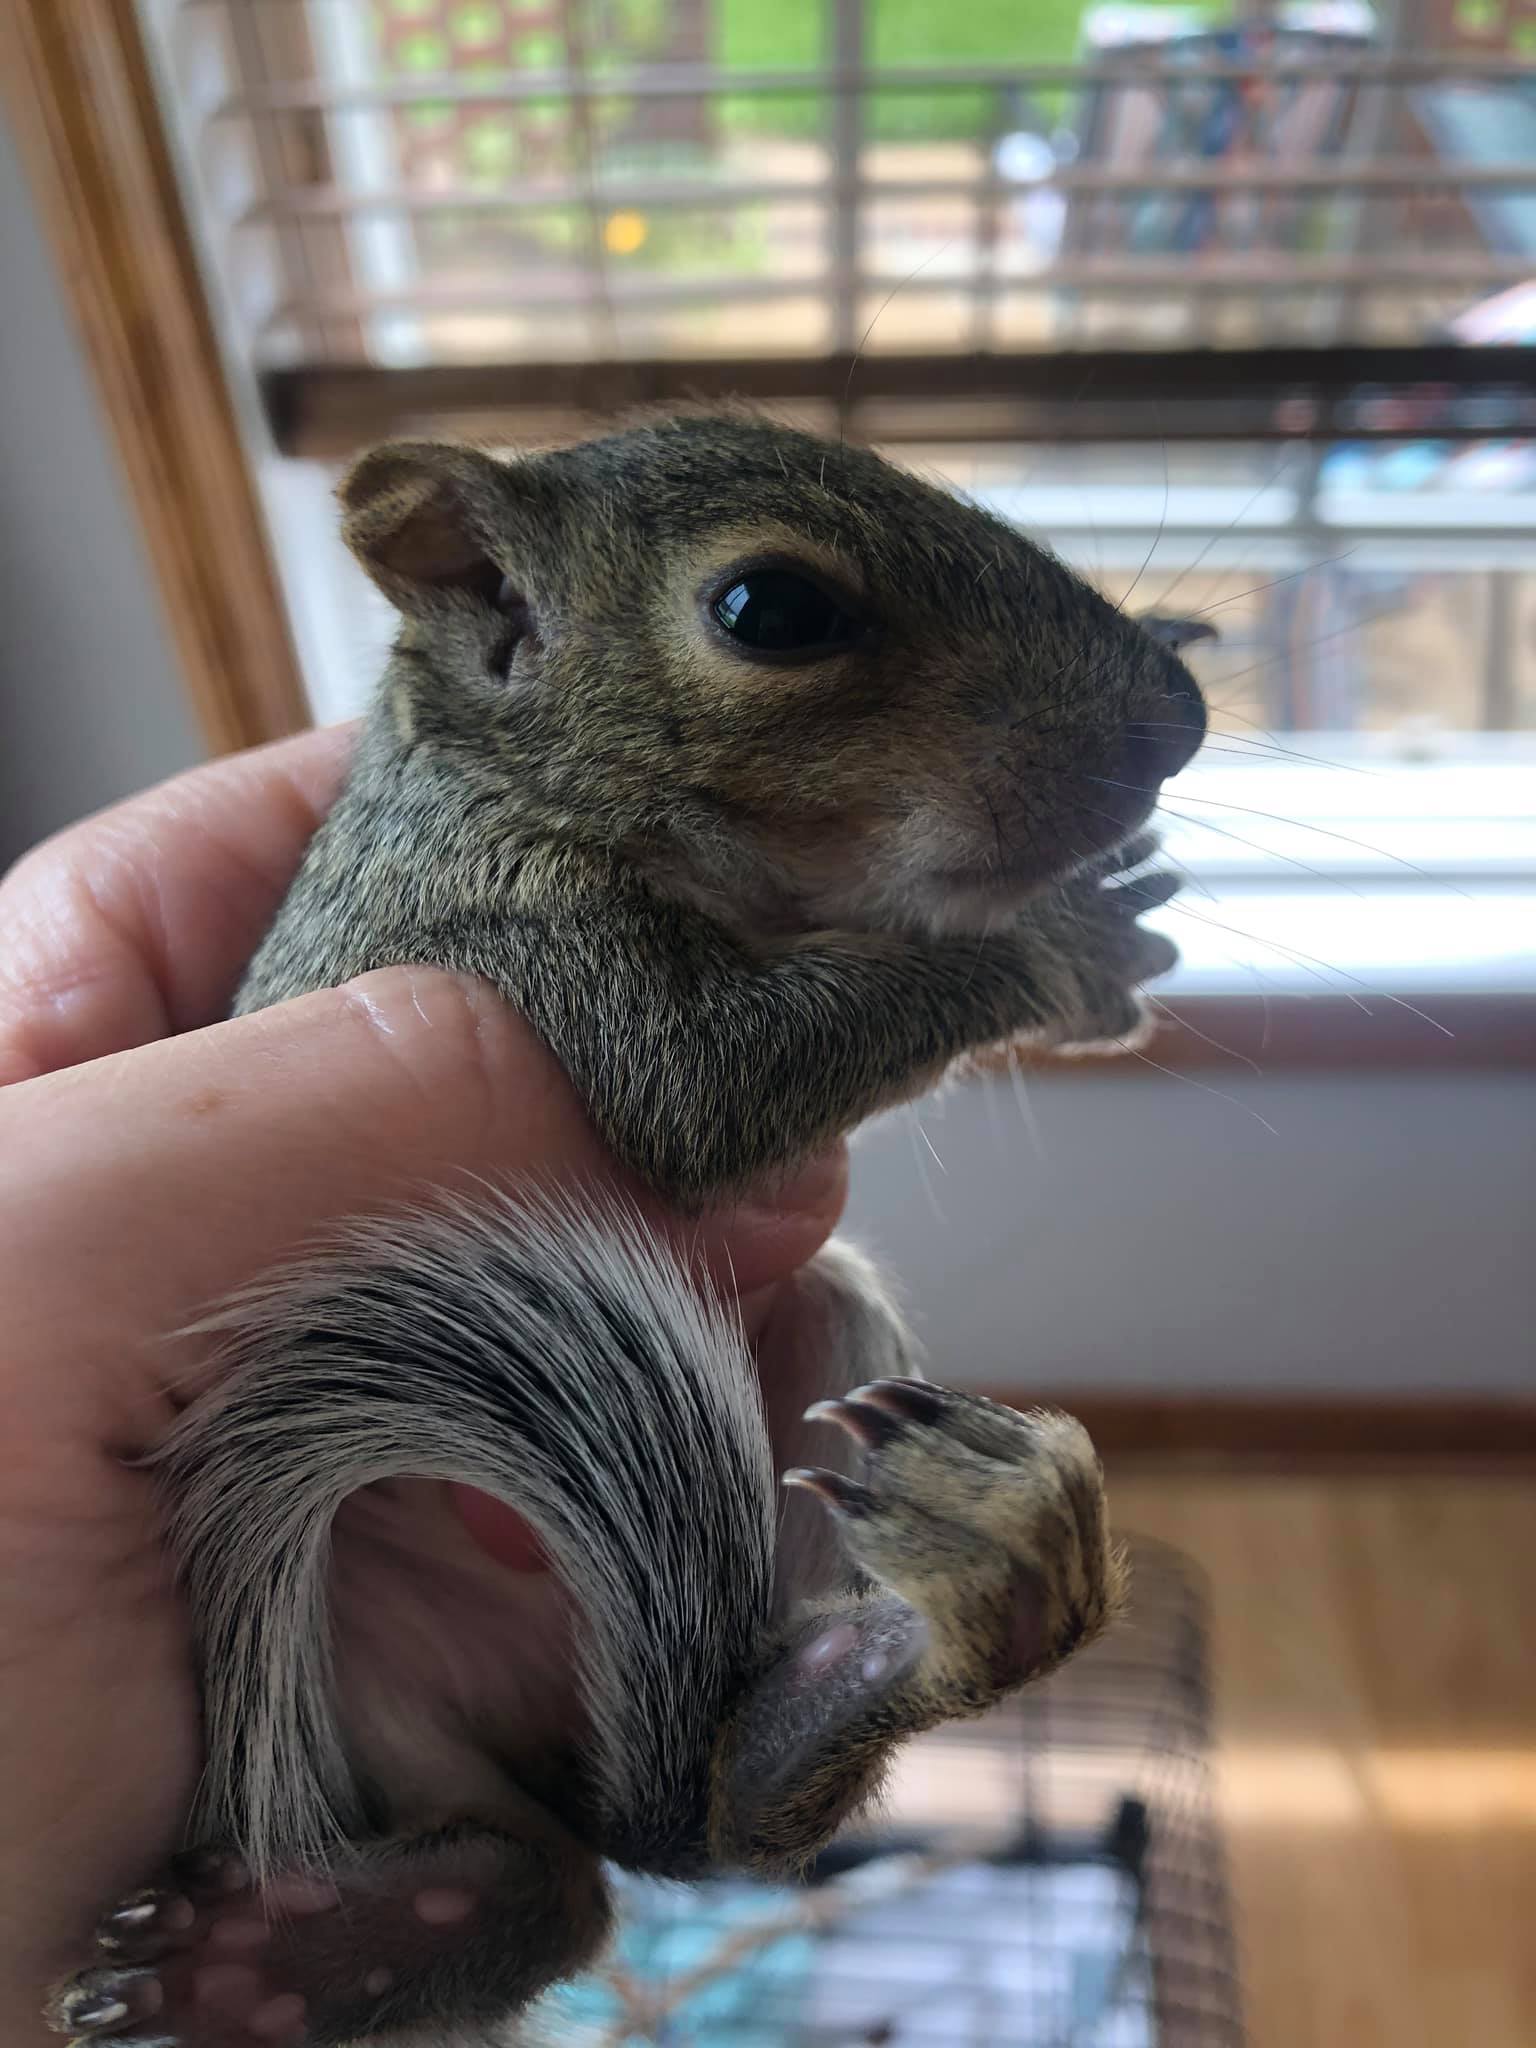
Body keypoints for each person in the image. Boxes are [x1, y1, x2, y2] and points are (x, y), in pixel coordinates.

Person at [0, 725, 846, 2044]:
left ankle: (583, 1837)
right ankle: (588, 1836)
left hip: (352, 1694)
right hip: (393, 1698)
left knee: (834, 1319)